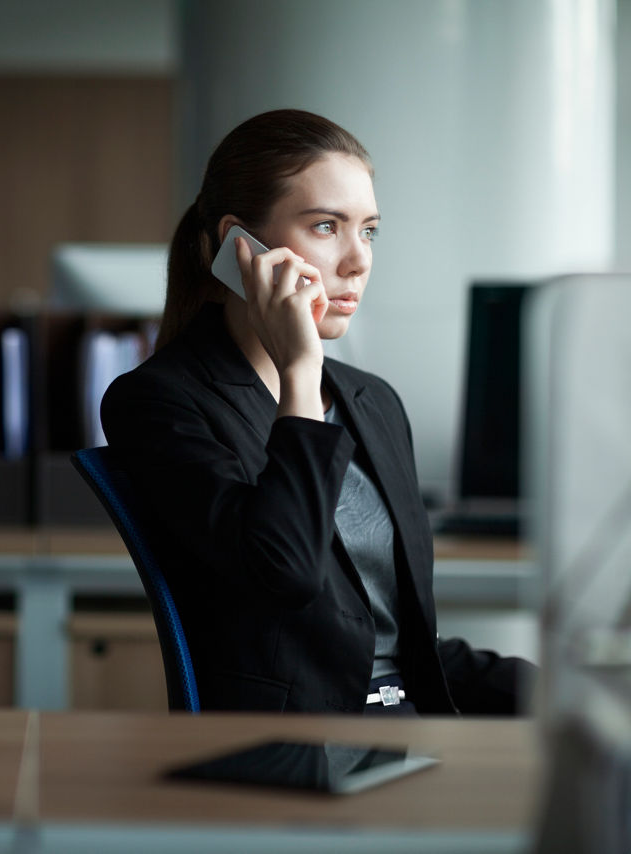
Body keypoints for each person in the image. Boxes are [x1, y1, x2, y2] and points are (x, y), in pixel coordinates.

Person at [101, 109, 534, 716]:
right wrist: (299, 374)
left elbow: (407, 649)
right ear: (238, 246)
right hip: (296, 751)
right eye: (327, 227)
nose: (358, 261)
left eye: (370, 230)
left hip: (406, 727)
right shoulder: (160, 402)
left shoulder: (371, 400)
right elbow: (285, 574)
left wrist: (570, 685)